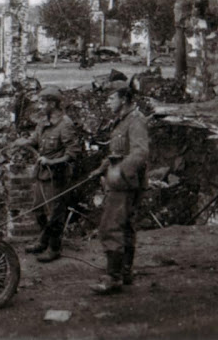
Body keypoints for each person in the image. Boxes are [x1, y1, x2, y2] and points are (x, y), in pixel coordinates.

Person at [89, 80, 149, 294]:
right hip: (121, 181)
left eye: (110, 98)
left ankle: (113, 277)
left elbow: (140, 153)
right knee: (125, 227)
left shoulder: (135, 121)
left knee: (110, 227)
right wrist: (102, 168)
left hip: (124, 184)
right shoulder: (122, 121)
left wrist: (120, 170)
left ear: (124, 99)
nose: (107, 102)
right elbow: (117, 151)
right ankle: (124, 272)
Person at [13, 86, 81, 263]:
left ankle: (54, 247)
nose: (40, 105)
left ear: (53, 103)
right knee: (38, 210)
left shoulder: (65, 124)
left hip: (56, 176)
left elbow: (72, 153)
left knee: (55, 214)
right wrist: (24, 142)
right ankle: (43, 241)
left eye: (43, 102)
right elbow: (36, 140)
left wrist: (52, 162)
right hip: (42, 174)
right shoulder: (43, 121)